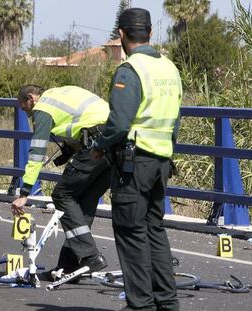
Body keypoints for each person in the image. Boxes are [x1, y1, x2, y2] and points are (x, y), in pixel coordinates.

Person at [91, 8, 182, 311]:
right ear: (151, 33)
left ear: (121, 34)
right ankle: (166, 303)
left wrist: (101, 146)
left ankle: (140, 305)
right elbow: (175, 121)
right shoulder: (169, 68)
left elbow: (118, 123)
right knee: (154, 230)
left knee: (131, 232)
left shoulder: (131, 69)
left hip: (135, 163)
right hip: (161, 162)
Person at [11, 85, 111, 278]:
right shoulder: (61, 93)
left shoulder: (43, 108)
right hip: (115, 144)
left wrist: (24, 192)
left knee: (61, 195)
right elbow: (83, 120)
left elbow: (37, 152)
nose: (26, 113)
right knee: (82, 204)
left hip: (95, 145)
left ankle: (91, 256)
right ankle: (68, 266)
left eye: (25, 108)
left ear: (32, 98)